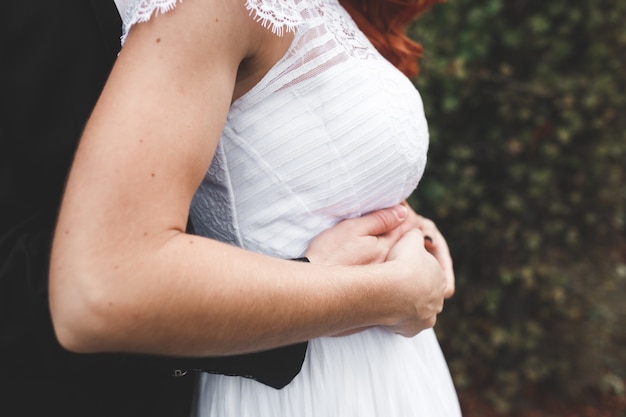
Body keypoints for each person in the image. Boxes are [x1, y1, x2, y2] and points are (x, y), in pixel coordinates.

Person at [1, 1, 453, 416]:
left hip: (395, 370)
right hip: (290, 388)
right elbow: (106, 282)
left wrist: (404, 228)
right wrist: (388, 294)